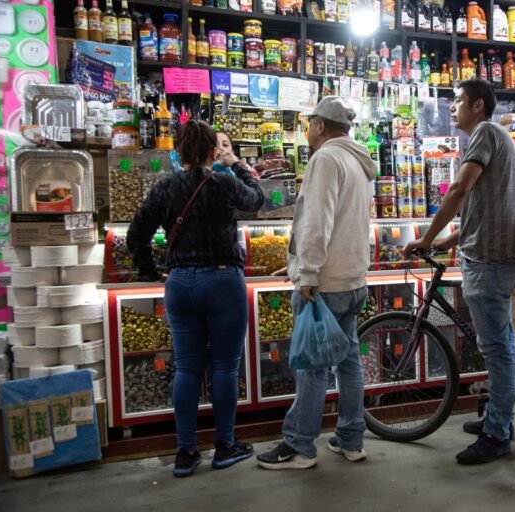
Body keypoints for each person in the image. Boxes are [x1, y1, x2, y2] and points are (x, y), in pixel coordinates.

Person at [127, 120, 264, 477]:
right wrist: (236, 164)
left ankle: (185, 452)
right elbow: (256, 200)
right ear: (211, 150)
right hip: (222, 281)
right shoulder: (222, 181)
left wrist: (150, 272)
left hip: (180, 284)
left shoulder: (165, 187)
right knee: (224, 367)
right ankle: (225, 445)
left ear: (179, 151)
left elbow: (135, 234)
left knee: (187, 368)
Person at [403, 79, 515, 465]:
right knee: (502, 345)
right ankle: (501, 417)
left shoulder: (485, 132)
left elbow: (459, 190)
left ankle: (496, 434)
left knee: (496, 350)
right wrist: (445, 241)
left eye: (458, 101)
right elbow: (484, 209)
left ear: (477, 105)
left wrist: (426, 237)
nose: (452, 107)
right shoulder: (500, 137)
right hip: (495, 255)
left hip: (489, 260)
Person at [256, 96, 376, 470]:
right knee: (348, 362)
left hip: (325, 284)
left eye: (309, 123)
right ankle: (351, 440)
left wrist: (307, 272)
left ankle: (299, 446)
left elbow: (317, 222)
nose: (308, 130)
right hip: (353, 278)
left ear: (320, 125)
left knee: (312, 366)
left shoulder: (326, 158)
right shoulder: (359, 160)